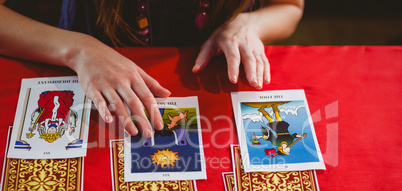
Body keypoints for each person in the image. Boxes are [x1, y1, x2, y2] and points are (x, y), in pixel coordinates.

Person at [0, 0, 304, 138]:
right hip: (85, 63)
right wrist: (78, 49)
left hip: (211, 78)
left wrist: (249, 23)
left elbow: (290, 6)